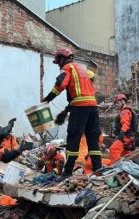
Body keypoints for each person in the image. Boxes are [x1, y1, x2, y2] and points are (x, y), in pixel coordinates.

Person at [42, 47, 101, 178]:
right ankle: (98, 170)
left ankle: (67, 172)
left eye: (58, 62)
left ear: (63, 59)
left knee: (74, 137)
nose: (59, 65)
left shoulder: (68, 68)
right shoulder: (82, 69)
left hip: (80, 107)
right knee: (93, 140)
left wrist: (48, 98)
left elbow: (60, 85)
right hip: (93, 107)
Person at [109, 94, 136, 163]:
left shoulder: (124, 111)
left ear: (123, 101)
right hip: (129, 138)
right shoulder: (127, 110)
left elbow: (125, 124)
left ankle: (116, 168)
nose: (116, 105)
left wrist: (121, 133)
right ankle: (127, 169)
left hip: (124, 137)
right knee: (125, 155)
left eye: (117, 103)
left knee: (113, 149)